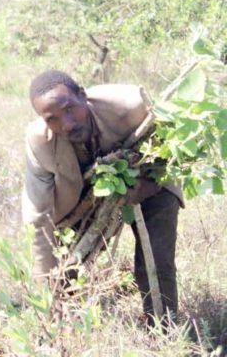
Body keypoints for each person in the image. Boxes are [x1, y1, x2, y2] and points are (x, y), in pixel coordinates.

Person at [23, 69, 183, 324]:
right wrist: (45, 284)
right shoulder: (39, 142)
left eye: (70, 109)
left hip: (150, 180)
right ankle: (62, 326)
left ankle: (164, 329)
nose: (67, 124)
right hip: (80, 198)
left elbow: (169, 157)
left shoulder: (132, 105)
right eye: (52, 119)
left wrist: (141, 186)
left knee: (156, 262)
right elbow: (39, 218)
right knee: (66, 267)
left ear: (83, 95)